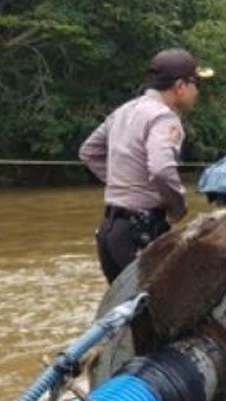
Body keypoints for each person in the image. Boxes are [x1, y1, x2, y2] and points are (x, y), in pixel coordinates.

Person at [78, 48, 213, 284]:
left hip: (111, 233)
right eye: (195, 84)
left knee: (130, 312)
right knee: (166, 310)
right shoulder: (164, 117)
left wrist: (122, 184)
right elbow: (161, 169)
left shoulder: (124, 111)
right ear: (180, 86)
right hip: (140, 232)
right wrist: (178, 206)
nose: (197, 92)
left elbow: (89, 152)